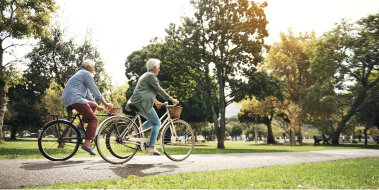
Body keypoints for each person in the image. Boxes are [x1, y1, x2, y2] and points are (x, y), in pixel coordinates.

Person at [126, 58, 179, 155]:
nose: (159, 69)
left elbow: (145, 91)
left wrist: (156, 101)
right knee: (157, 123)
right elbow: (159, 89)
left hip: (137, 101)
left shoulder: (145, 75)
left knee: (151, 121)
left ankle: (134, 134)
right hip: (142, 102)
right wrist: (172, 99)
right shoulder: (151, 76)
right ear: (154, 67)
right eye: (158, 67)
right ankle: (151, 146)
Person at [62, 59, 113, 155]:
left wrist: (97, 105)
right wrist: (106, 104)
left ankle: (80, 127)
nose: (94, 69)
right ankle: (87, 144)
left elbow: (88, 94)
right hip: (75, 98)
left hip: (69, 98)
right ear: (88, 67)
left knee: (92, 106)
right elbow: (95, 90)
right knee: (93, 119)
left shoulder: (81, 74)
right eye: (93, 67)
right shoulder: (86, 74)